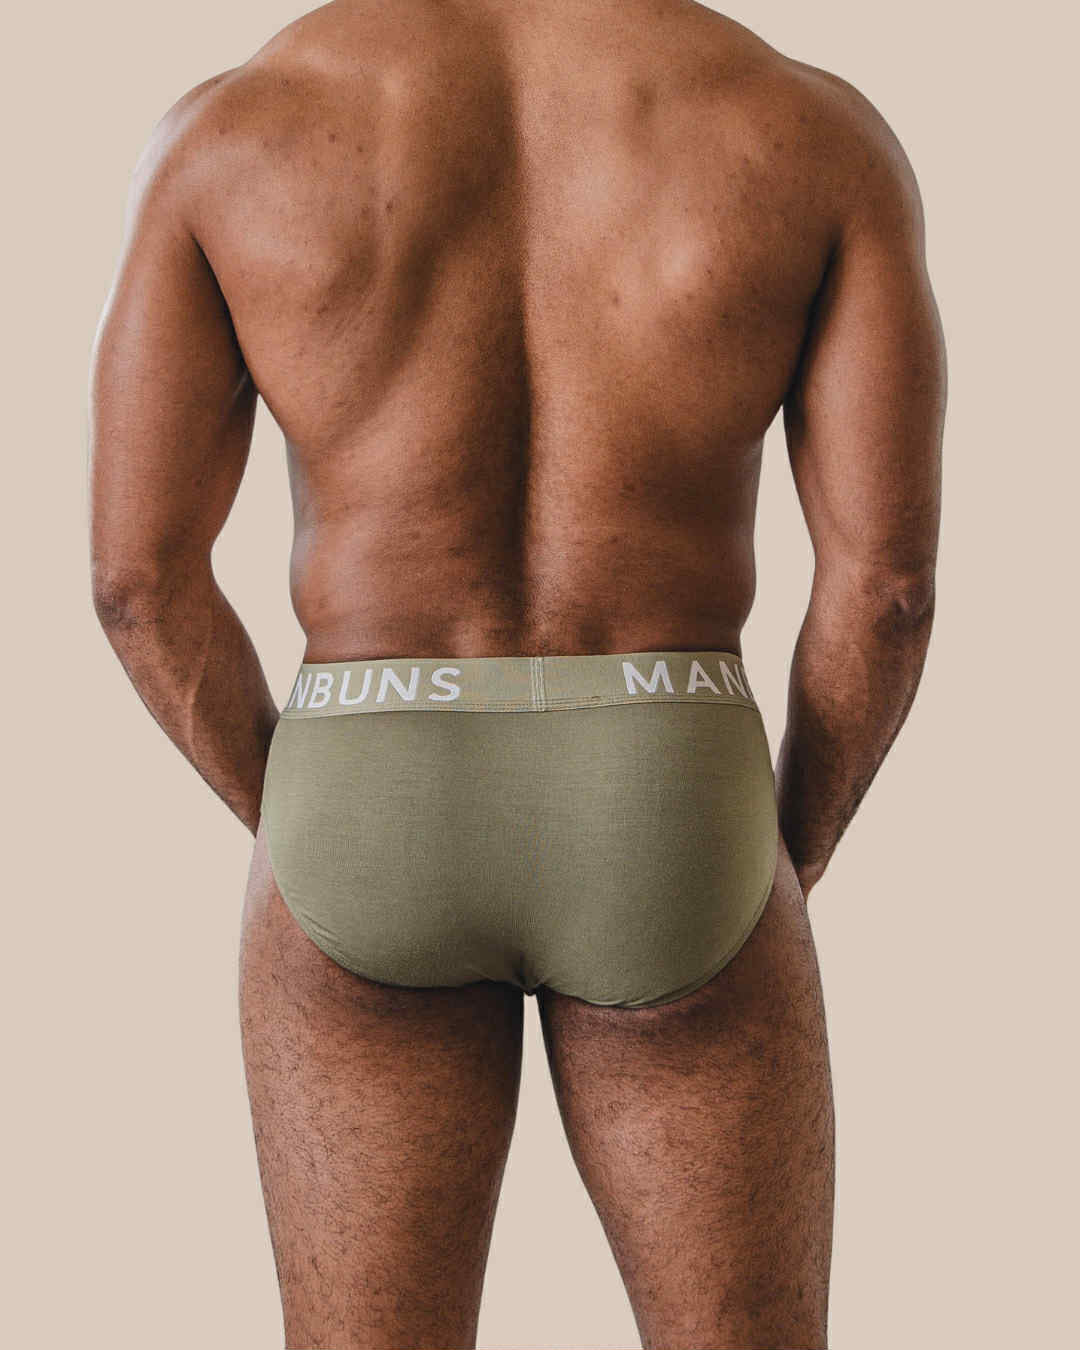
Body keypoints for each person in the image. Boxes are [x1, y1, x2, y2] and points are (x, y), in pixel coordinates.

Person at [88, 0, 945, 1345]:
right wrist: (774, 850)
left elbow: (135, 581)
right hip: (669, 777)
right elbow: (887, 589)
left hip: (367, 768)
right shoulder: (805, 130)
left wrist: (316, 821)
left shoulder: (231, 132)